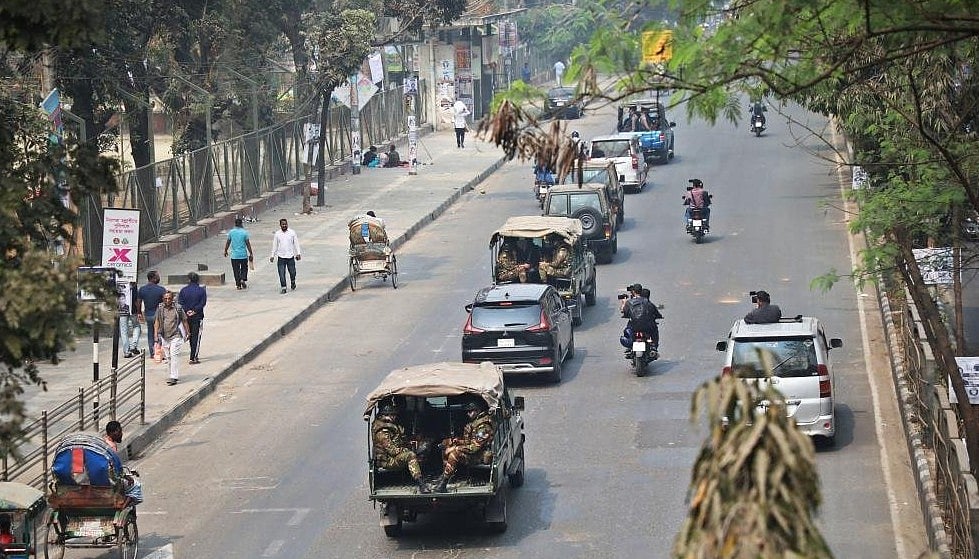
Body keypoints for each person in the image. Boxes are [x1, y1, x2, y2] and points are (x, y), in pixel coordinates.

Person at [432, 398, 495, 492]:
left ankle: (443, 483)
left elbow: (474, 448)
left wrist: (456, 447)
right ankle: (446, 475)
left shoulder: (484, 426)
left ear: (477, 411)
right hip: (472, 452)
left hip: (479, 456)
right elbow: (469, 441)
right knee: (446, 443)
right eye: (467, 411)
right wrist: (456, 441)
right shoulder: (475, 423)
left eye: (470, 411)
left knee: (455, 453)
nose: (468, 414)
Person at [372, 399, 430, 494]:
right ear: (386, 415)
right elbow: (392, 451)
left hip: (393, 456)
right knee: (411, 455)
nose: (395, 417)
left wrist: (411, 443)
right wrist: (408, 449)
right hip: (388, 461)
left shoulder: (391, 426)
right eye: (393, 415)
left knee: (423, 446)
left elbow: (399, 440)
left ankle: (420, 474)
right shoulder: (382, 431)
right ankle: (421, 484)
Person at [155, 290, 190, 386]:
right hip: (164, 336)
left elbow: (185, 320)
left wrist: (187, 332)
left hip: (176, 335)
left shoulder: (178, 308)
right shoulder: (160, 308)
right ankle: (172, 374)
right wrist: (155, 336)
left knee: (174, 354)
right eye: (165, 298)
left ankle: (174, 377)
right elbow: (157, 322)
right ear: (163, 299)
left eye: (169, 298)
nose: (167, 300)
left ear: (172, 299)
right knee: (168, 357)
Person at [620, 284, 663, 354]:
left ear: (633, 292)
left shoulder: (629, 302)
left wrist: (623, 303)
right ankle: (654, 346)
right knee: (654, 330)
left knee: (628, 329)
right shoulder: (648, 302)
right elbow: (656, 313)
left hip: (634, 327)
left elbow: (624, 312)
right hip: (648, 327)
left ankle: (629, 347)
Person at [178, 272, 207, 365]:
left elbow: (180, 303)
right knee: (196, 336)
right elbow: (203, 303)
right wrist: (194, 311)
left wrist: (187, 311)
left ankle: (192, 353)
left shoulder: (183, 290)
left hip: (186, 317)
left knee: (190, 335)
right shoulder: (201, 290)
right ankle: (193, 356)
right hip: (197, 316)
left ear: (189, 280)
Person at [137, 271, 166, 361]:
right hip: (158, 315)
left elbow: (138, 302)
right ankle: (159, 351)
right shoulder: (161, 289)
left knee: (150, 334)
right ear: (153, 278)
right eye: (157, 276)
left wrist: (139, 312)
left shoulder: (142, 289)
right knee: (159, 333)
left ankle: (152, 352)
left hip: (148, 315)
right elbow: (166, 302)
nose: (159, 278)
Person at [270, 218, 302, 294]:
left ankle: (293, 281)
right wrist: (272, 255)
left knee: (292, 272)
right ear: (280, 225)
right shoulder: (277, 234)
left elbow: (296, 243)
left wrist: (298, 253)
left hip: (290, 256)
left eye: (285, 224)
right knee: (281, 273)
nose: (284, 225)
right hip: (281, 257)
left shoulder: (292, 233)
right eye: (283, 224)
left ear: (287, 224)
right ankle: (283, 287)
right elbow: (275, 245)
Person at [224, 218, 254, 290]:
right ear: (241, 224)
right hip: (243, 255)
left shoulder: (231, 232)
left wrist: (225, 250)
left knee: (236, 270)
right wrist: (251, 253)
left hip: (234, 256)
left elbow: (228, 242)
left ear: (235, 224)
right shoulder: (244, 232)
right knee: (244, 268)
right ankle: (243, 279)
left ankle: (238, 285)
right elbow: (248, 243)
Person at [118, 283, 141, 358]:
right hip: (133, 309)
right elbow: (136, 298)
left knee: (124, 330)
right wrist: (139, 310)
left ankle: (126, 351)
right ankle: (133, 346)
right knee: (136, 326)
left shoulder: (118, 282)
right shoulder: (133, 282)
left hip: (121, 310)